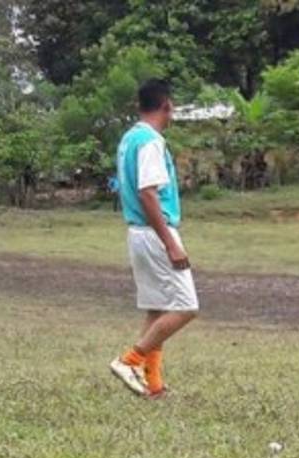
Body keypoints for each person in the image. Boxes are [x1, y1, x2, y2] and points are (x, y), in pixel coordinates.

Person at [109, 79, 198, 399]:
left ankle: (154, 384)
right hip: (155, 231)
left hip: (138, 232)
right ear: (167, 106)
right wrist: (171, 243)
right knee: (186, 307)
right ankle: (129, 360)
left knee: (157, 308)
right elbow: (148, 194)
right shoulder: (151, 142)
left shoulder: (129, 138)